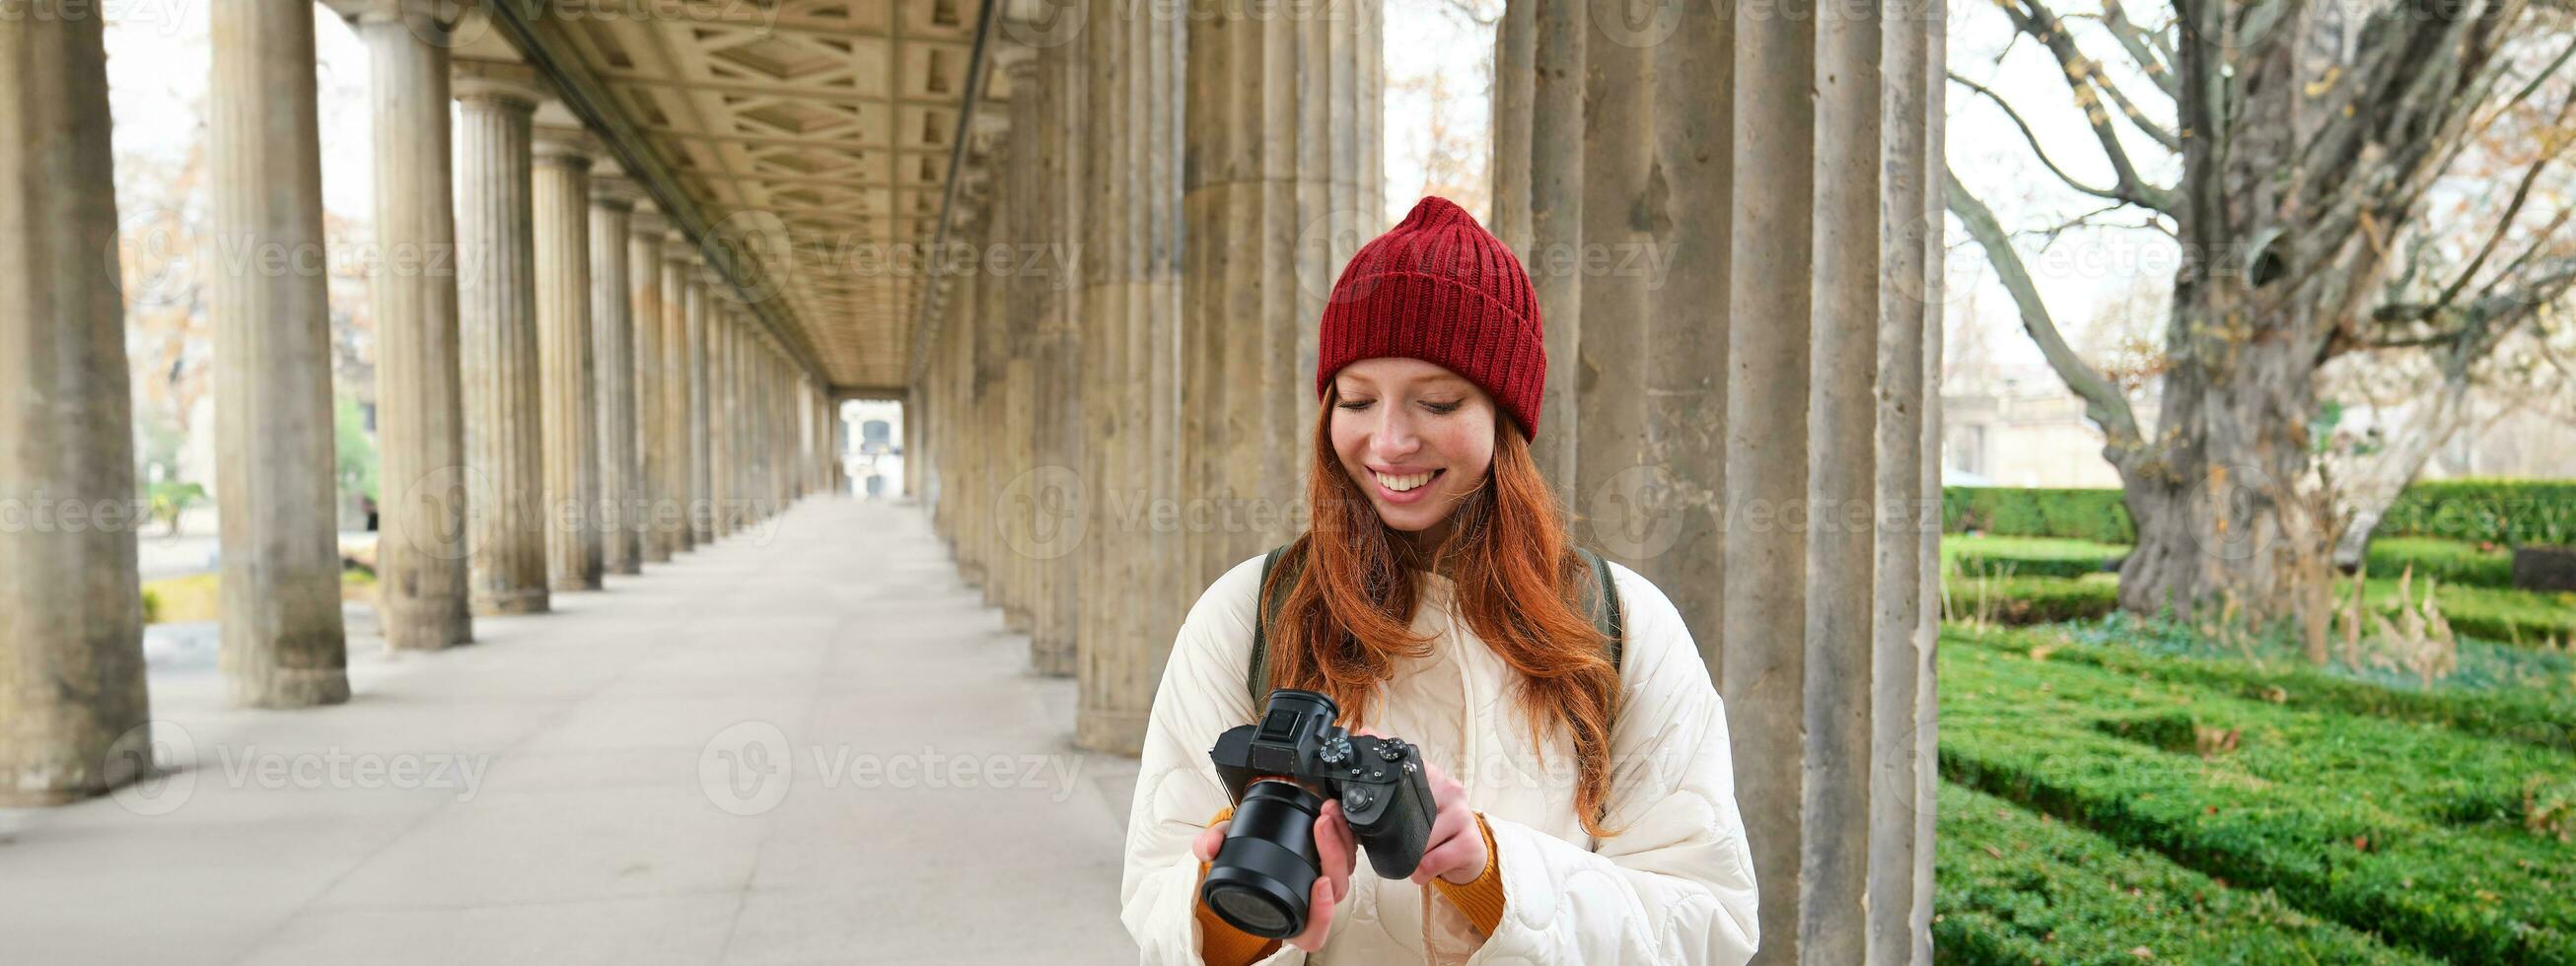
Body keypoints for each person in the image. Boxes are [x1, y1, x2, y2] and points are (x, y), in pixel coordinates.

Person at [1119, 196, 1759, 964]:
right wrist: (1250, 918)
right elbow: (1157, 903)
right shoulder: (1248, 614)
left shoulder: (1619, 622)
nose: (1389, 441)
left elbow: (1711, 923)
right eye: (1357, 400)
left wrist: (1490, 872)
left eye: (1437, 401)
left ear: (1505, 414)